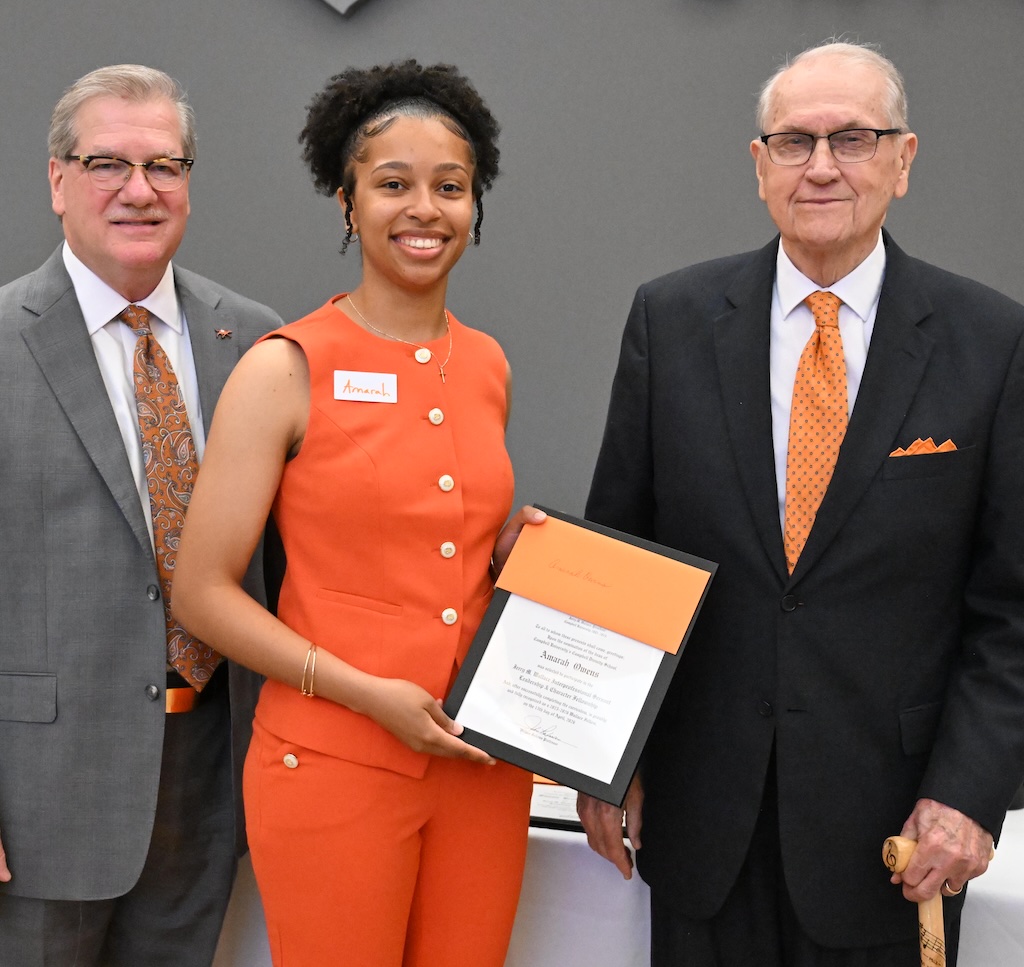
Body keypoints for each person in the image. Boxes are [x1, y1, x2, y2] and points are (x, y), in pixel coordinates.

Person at [578, 40, 1024, 967]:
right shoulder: (670, 320)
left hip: (899, 835)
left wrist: (971, 791)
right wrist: (604, 762)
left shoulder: (992, 342)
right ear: (759, 166)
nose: (821, 167)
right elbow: (621, 561)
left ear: (904, 161)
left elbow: (1011, 606)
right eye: (793, 142)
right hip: (705, 831)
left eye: (853, 139)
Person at [173, 60, 541, 967]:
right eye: (392, 185)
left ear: (476, 204)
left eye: (450, 187)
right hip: (333, 761)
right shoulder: (285, 366)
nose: (425, 209)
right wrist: (366, 694)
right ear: (346, 203)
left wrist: (515, 555)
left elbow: (437, 545)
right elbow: (200, 592)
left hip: (480, 768)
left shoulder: (488, 363)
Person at [0, 64, 283, 966]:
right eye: (106, 164)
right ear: (56, 180)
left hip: (208, 782)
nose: (138, 190)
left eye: (165, 165)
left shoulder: (253, 339)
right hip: (41, 800)